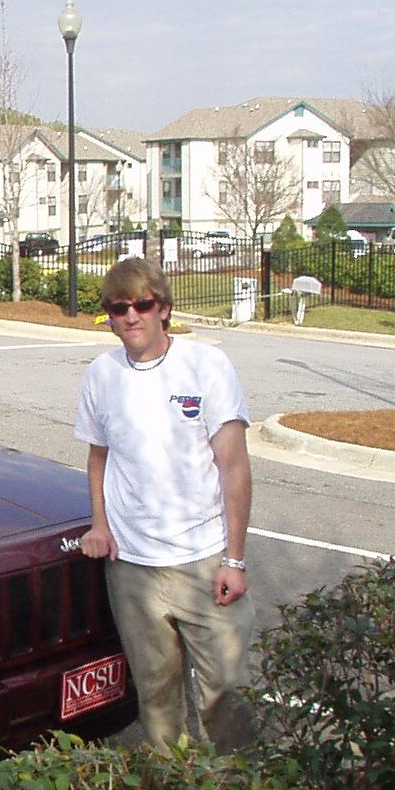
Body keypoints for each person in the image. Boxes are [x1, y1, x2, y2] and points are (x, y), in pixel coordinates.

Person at [74, 257, 254, 752]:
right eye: (119, 308)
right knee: (156, 695)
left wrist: (235, 560)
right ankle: (172, 785)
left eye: (142, 304)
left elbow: (234, 468)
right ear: (110, 318)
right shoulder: (101, 375)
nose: (131, 315)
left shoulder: (206, 366)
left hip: (203, 560)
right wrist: (99, 525)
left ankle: (236, 783)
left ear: (164, 309)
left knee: (226, 688)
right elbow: (98, 457)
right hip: (132, 567)